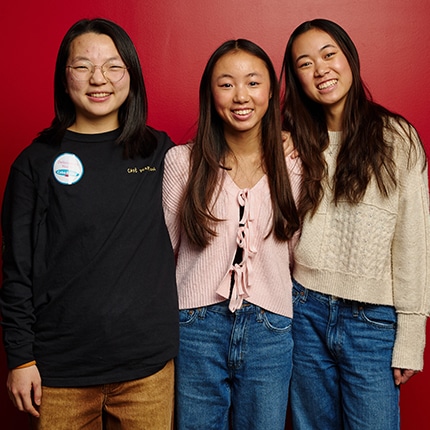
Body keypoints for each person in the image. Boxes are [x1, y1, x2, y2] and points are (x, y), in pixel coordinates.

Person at [0, 18, 178, 429]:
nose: (98, 79)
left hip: (146, 369)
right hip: (59, 372)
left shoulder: (161, 153)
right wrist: (20, 357)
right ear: (64, 79)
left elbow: (227, 170)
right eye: (82, 66)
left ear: (131, 75)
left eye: (113, 66)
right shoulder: (36, 161)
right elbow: (16, 269)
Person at [281, 18, 430, 430]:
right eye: (305, 63)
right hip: (304, 309)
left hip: (373, 320)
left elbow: (413, 241)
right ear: (296, 78)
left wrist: (412, 337)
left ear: (349, 57)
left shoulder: (397, 138)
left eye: (329, 55)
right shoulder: (291, 141)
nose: (320, 69)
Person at [162, 39, 301, 430]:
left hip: (271, 329)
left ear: (271, 91)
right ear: (210, 92)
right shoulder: (183, 162)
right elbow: (159, 253)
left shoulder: (295, 164)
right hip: (194, 327)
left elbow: (300, 253)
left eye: (253, 82)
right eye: (226, 84)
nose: (241, 95)